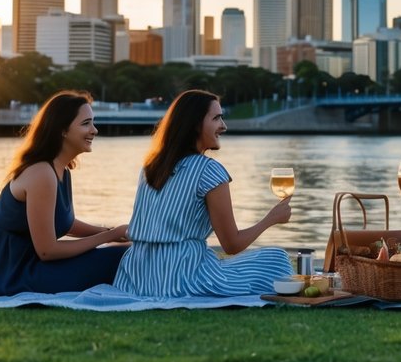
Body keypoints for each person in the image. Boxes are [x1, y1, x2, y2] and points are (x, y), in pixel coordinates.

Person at [113, 90, 292, 297]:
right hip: (183, 279)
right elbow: (232, 244)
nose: (223, 126)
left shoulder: (149, 167)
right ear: (195, 124)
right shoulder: (209, 170)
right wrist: (271, 219)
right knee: (277, 258)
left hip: (135, 278)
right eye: (216, 118)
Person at [0, 91, 129, 295]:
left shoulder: (62, 170)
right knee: (120, 256)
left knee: (122, 252)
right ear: (62, 130)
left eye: (92, 123)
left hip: (27, 265)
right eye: (86, 123)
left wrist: (113, 231)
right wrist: (108, 236)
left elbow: (66, 224)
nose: (94, 130)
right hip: (7, 275)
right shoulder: (41, 173)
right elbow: (47, 251)